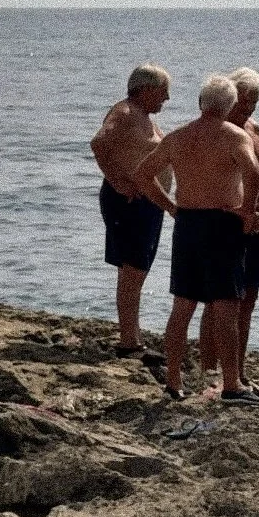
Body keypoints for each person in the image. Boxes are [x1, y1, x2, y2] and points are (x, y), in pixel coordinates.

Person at [134, 74, 259, 405]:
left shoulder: (178, 137)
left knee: (183, 305)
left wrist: (173, 208)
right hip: (222, 223)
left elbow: (142, 175)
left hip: (189, 224)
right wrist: (247, 212)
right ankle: (232, 384)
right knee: (226, 308)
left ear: (200, 104)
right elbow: (253, 173)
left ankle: (174, 381)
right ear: (230, 105)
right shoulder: (234, 136)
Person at [198, 67, 259, 391]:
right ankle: (208, 373)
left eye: (255, 102)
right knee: (217, 300)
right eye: (244, 102)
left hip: (258, 225)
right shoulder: (218, 132)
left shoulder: (254, 128)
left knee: (248, 298)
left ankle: (240, 373)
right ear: (230, 99)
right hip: (227, 224)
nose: (249, 108)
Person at [90, 63, 172, 358]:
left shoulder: (143, 116)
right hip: (129, 202)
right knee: (133, 271)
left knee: (136, 271)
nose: (167, 98)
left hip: (147, 202)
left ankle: (131, 337)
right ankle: (129, 343)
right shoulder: (124, 112)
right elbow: (99, 143)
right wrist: (118, 181)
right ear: (147, 89)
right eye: (164, 92)